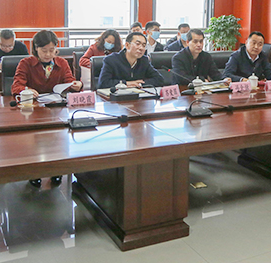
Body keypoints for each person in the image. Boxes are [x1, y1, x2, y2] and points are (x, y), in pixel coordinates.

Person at [11, 30, 82, 187]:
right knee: (34, 143)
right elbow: (16, 86)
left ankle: (57, 171)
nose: (48, 54)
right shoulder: (26, 63)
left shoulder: (61, 63)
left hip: (56, 110)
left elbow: (69, 81)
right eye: (44, 50)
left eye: (52, 50)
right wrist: (26, 90)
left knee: (58, 141)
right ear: (36, 48)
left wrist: (76, 85)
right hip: (33, 111)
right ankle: (34, 172)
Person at [97, 32, 165, 89]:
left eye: (144, 45)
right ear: (127, 45)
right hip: (117, 98)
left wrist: (139, 85)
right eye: (137, 44)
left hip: (138, 98)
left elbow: (159, 79)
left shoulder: (144, 60)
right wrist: (126, 83)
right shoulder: (111, 60)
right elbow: (103, 83)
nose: (141, 48)